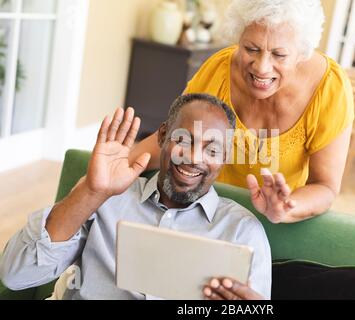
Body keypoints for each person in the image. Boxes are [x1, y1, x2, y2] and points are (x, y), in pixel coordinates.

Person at [0, 94, 271, 300]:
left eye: (212, 150)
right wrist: (91, 191)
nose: (193, 158)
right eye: (184, 140)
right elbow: (15, 274)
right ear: (163, 136)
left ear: (223, 158)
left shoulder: (242, 232)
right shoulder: (105, 199)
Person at [130, 0, 355, 224]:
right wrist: (121, 165)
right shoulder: (218, 70)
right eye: (251, 49)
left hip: (272, 224)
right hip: (206, 214)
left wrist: (285, 209)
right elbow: (175, 141)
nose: (261, 67)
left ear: (302, 53)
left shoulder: (329, 88)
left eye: (279, 55)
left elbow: (325, 187)